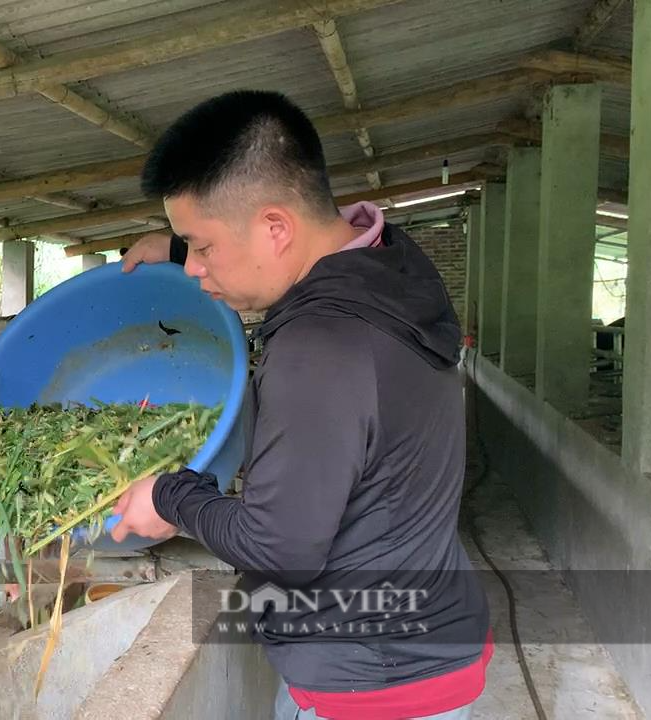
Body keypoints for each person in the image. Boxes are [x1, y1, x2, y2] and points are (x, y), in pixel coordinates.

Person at [108, 90, 491, 719]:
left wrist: (168, 497)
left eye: (203, 246)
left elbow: (280, 546)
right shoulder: (391, 268)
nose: (199, 270)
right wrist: (177, 251)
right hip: (421, 646)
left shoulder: (320, 348)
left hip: (375, 686)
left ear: (276, 227)